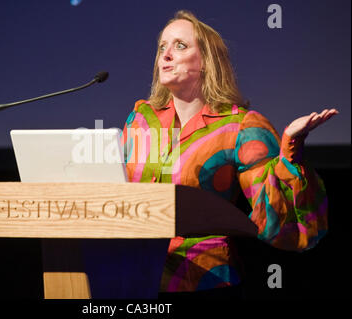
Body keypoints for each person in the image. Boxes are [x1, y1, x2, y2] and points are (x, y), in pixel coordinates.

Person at [121, 10, 338, 299]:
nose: (166, 54)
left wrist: (290, 152)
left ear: (207, 62)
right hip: (131, 277)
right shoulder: (140, 120)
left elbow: (278, 220)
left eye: (180, 46)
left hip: (202, 279)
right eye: (162, 47)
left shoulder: (241, 127)